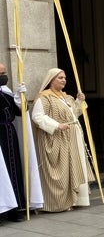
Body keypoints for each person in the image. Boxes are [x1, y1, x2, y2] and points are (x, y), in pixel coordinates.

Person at [32, 68, 93, 212]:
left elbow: (75, 114)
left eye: (64, 78)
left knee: (75, 167)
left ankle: (77, 199)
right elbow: (37, 117)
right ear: (51, 80)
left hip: (72, 138)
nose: (64, 80)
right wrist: (57, 125)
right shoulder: (44, 98)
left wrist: (79, 101)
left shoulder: (66, 97)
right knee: (62, 170)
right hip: (56, 138)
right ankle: (60, 203)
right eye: (60, 78)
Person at [0, 63, 43, 221]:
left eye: (4, 73)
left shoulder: (6, 91)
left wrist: (20, 98)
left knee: (13, 171)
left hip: (9, 134)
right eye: (1, 73)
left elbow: (20, 112)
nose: (4, 76)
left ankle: (15, 208)